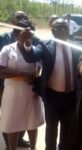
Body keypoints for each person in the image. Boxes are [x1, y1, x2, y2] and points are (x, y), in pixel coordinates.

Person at [19, 18, 81, 150]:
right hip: (52, 96)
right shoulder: (46, 45)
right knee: (52, 128)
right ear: (53, 31)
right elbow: (30, 57)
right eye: (59, 28)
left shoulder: (76, 47)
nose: (63, 30)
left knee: (67, 128)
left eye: (65, 27)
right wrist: (28, 43)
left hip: (71, 96)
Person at [0, 20, 45, 150]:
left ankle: (33, 147)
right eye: (24, 33)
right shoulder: (7, 50)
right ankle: (11, 148)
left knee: (32, 123)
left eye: (30, 34)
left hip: (31, 92)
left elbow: (41, 69)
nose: (27, 37)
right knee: (12, 123)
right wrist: (21, 73)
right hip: (13, 93)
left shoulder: (35, 51)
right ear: (16, 34)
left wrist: (36, 77)